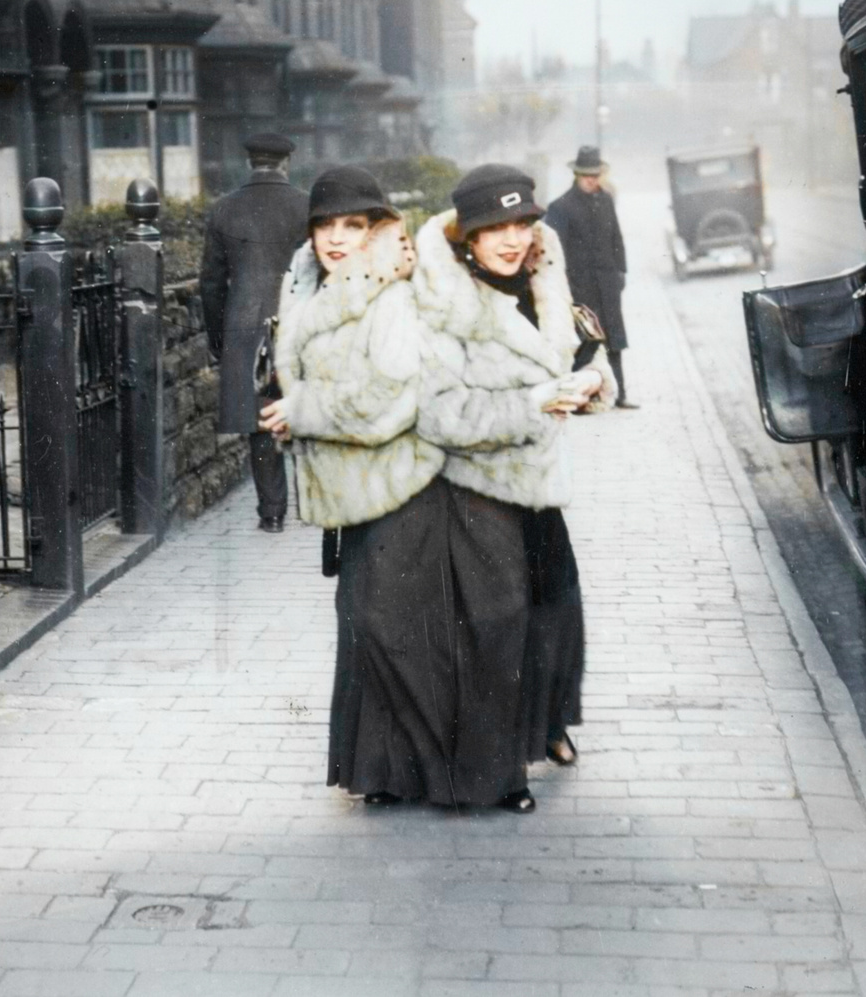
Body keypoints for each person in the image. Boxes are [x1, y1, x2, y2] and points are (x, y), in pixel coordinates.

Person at [258, 167, 466, 807]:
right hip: (356, 488)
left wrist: (306, 413)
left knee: (385, 624)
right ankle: (382, 774)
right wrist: (290, 416)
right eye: (325, 225)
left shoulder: (389, 295)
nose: (337, 238)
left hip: (402, 482)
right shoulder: (309, 290)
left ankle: (445, 774)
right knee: (366, 625)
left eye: (353, 225)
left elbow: (392, 396)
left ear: (378, 229)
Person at [413, 164, 615, 802]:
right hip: (474, 488)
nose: (511, 240)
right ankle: (496, 770)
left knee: (560, 608)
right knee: (496, 627)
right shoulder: (444, 304)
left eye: (521, 225)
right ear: (466, 238)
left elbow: (585, 352)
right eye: (493, 229)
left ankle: (547, 724)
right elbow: (442, 414)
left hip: (537, 483)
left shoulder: (543, 280)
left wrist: (588, 387)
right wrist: (539, 401)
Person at [200, 132, 308, 532]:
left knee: (262, 421)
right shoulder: (307, 205)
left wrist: (218, 341)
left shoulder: (224, 209)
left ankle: (272, 513)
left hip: (244, 327)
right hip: (298, 323)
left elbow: (210, 284)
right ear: (286, 164)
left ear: (250, 163)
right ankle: (314, 505)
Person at [544, 145, 637, 409]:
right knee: (585, 340)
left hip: (608, 284)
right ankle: (577, 398)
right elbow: (555, 250)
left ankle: (619, 395)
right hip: (579, 287)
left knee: (614, 340)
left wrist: (621, 271)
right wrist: (564, 287)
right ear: (576, 174)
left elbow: (616, 238)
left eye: (595, 175)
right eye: (586, 175)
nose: (591, 180)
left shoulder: (606, 200)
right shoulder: (561, 207)